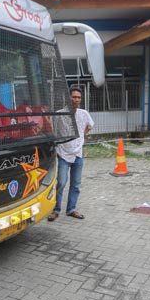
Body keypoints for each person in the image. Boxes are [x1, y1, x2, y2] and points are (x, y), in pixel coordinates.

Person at [48, 87, 94, 221]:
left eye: (78, 97)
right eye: (74, 97)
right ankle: (56, 210)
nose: (76, 99)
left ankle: (71, 209)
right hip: (63, 154)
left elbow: (90, 125)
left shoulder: (84, 113)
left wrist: (81, 137)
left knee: (76, 184)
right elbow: (53, 130)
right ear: (69, 98)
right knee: (61, 183)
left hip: (78, 155)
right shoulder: (60, 114)